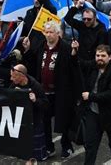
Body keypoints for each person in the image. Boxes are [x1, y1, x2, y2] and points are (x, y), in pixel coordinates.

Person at [22, 21, 78, 159]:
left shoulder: (65, 47)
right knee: (44, 121)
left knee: (63, 120)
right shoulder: (41, 46)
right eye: (46, 32)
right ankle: (49, 147)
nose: (48, 35)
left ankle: (66, 146)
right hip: (43, 92)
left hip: (61, 92)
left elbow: (74, 68)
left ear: (58, 33)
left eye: (51, 32)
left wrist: (74, 53)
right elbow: (32, 63)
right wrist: (28, 49)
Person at [71, 43, 111, 165]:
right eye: (97, 55)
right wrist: (74, 52)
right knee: (90, 145)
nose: (99, 58)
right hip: (93, 114)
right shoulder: (94, 66)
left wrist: (90, 96)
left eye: (103, 55)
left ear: (109, 57)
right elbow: (80, 64)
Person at [9, 64, 49, 163]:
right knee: (25, 153)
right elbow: (6, 97)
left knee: (35, 155)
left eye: (13, 76)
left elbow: (46, 105)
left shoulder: (36, 86)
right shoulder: (14, 85)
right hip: (22, 121)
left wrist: (35, 100)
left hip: (34, 122)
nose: (11, 79)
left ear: (22, 76)